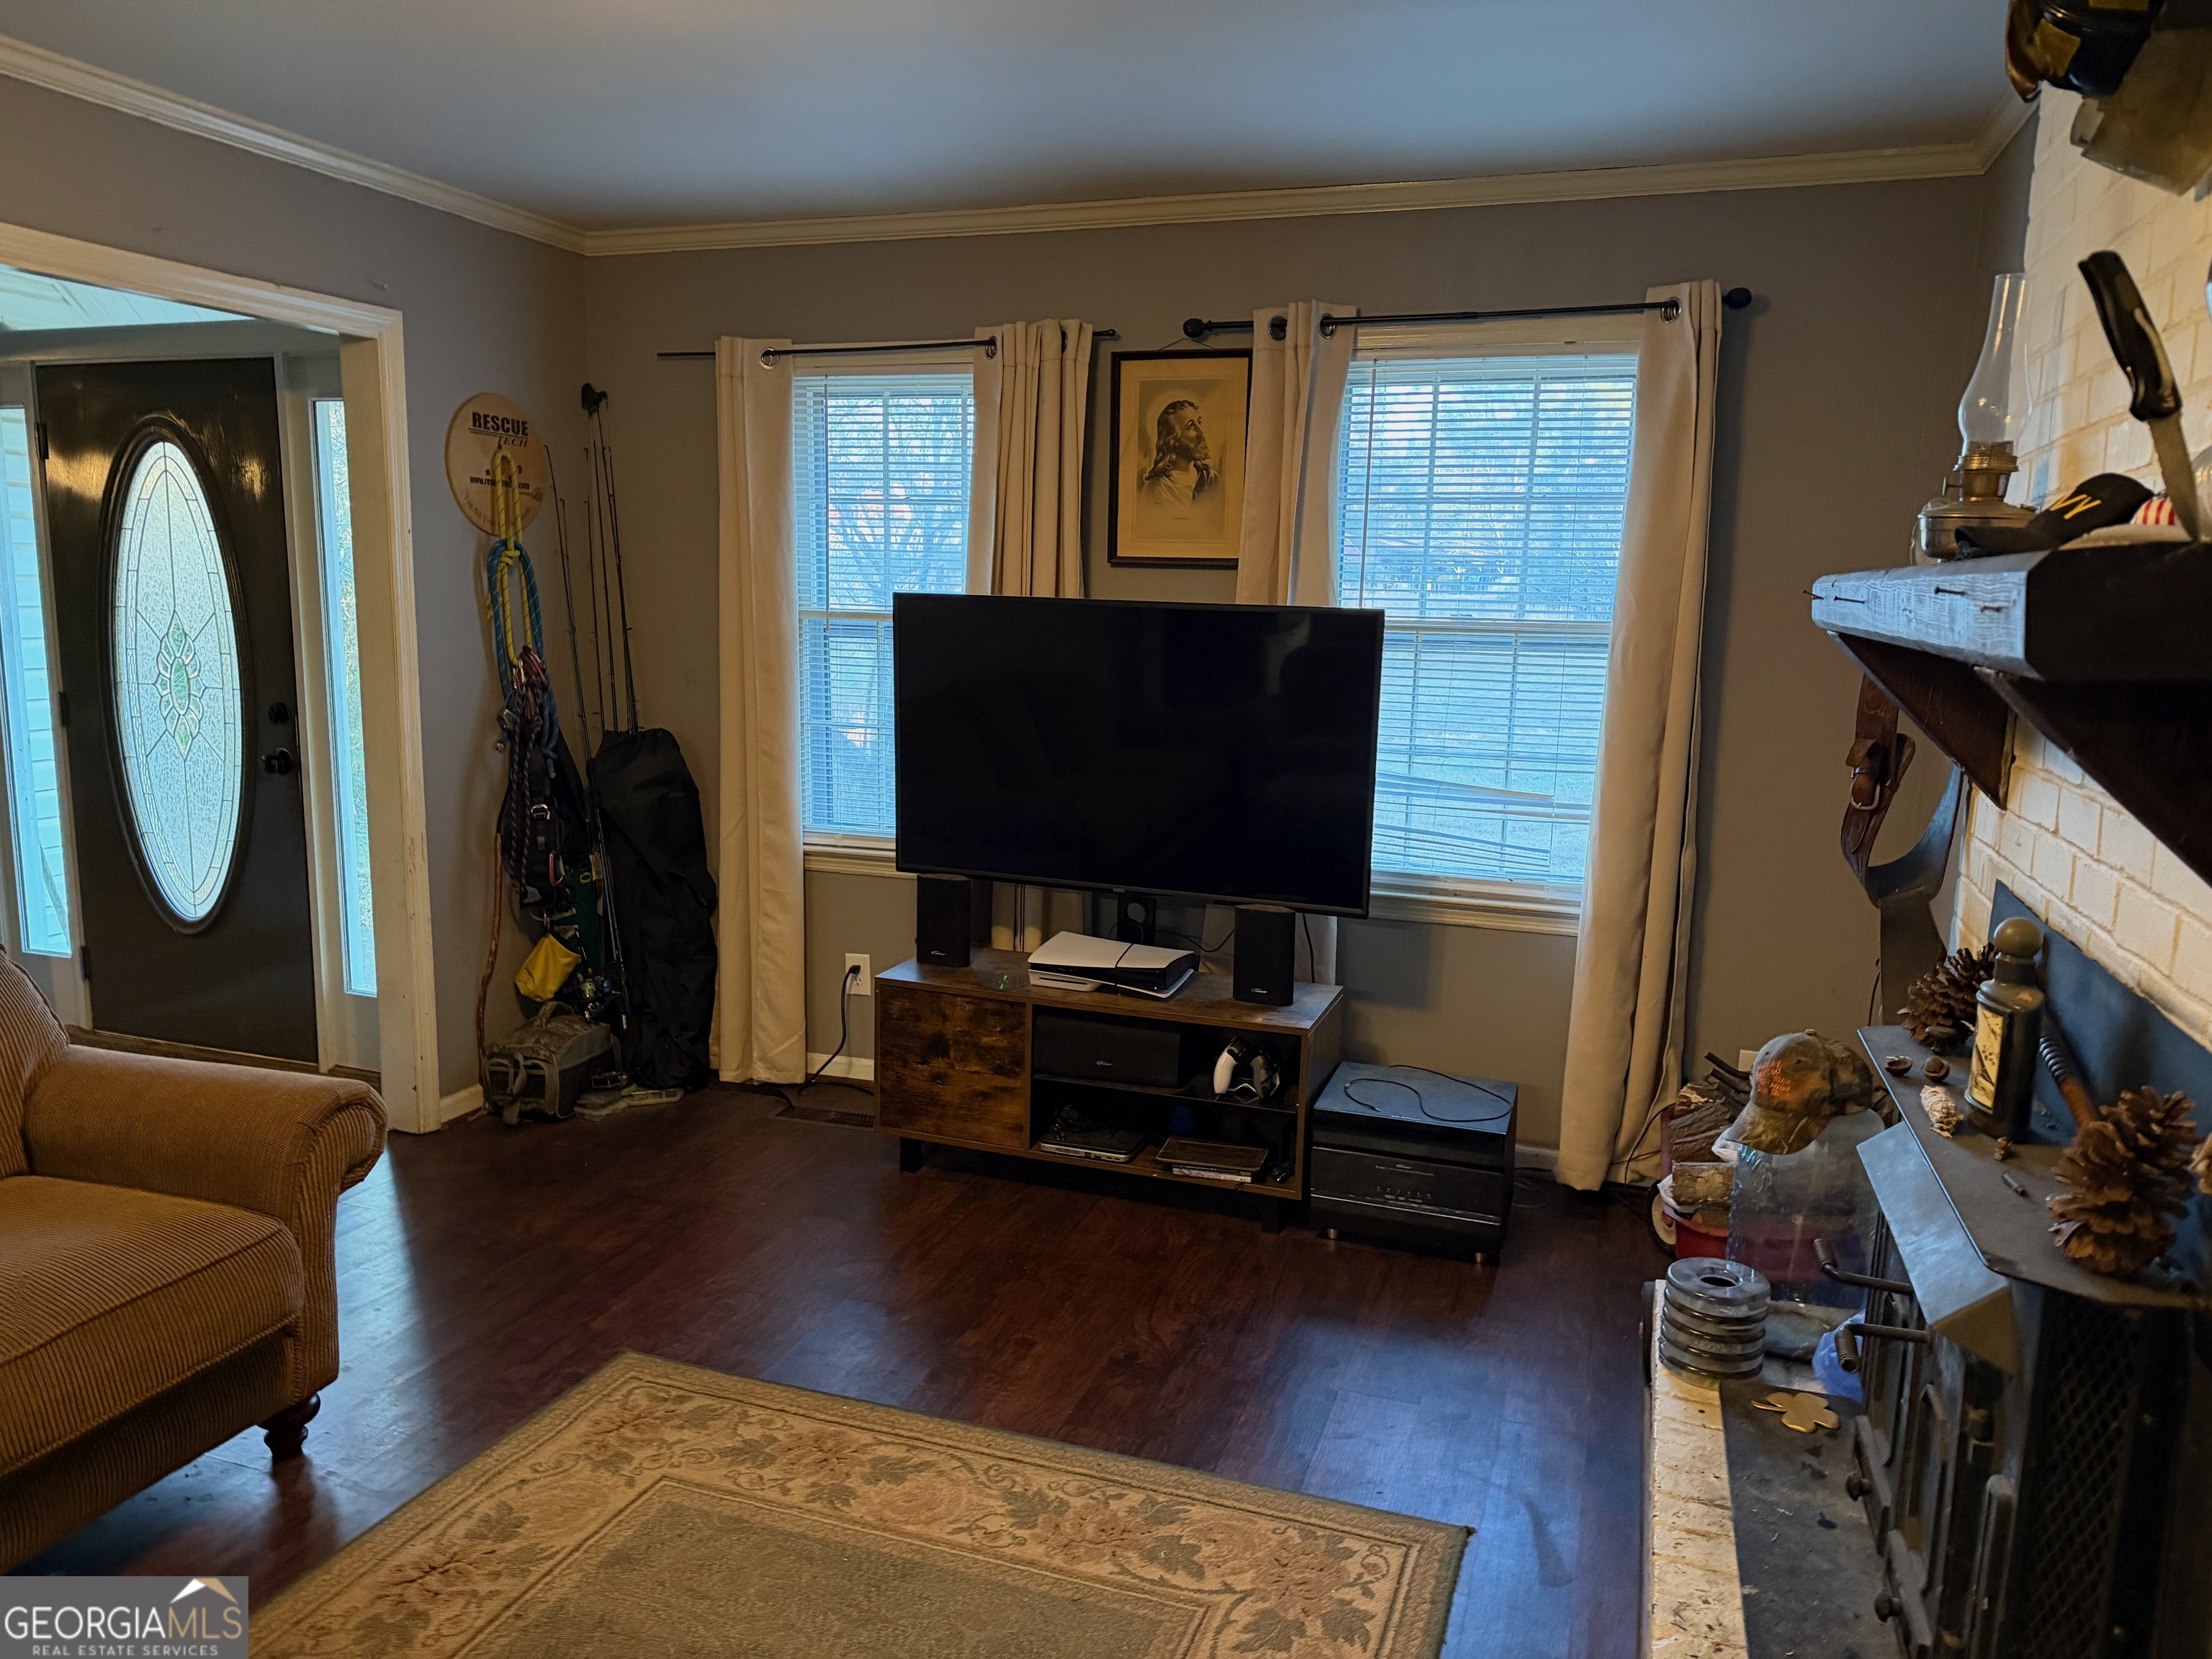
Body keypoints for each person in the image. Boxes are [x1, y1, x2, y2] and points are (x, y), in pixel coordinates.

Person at [1139, 399, 1215, 508]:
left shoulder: (1212, 480)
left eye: (1199, 422)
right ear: (1173, 441)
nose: (1201, 432)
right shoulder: (1155, 489)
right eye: (1191, 426)